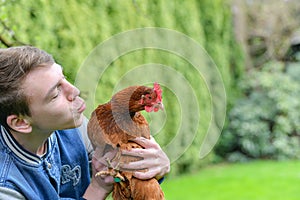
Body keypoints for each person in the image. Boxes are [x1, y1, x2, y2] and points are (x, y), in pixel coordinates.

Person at [0, 46, 170, 199]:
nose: (74, 91)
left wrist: (154, 165)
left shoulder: (74, 127)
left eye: (63, 78)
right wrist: (97, 190)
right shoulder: (6, 187)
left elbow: (125, 174)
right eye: (54, 94)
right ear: (20, 122)